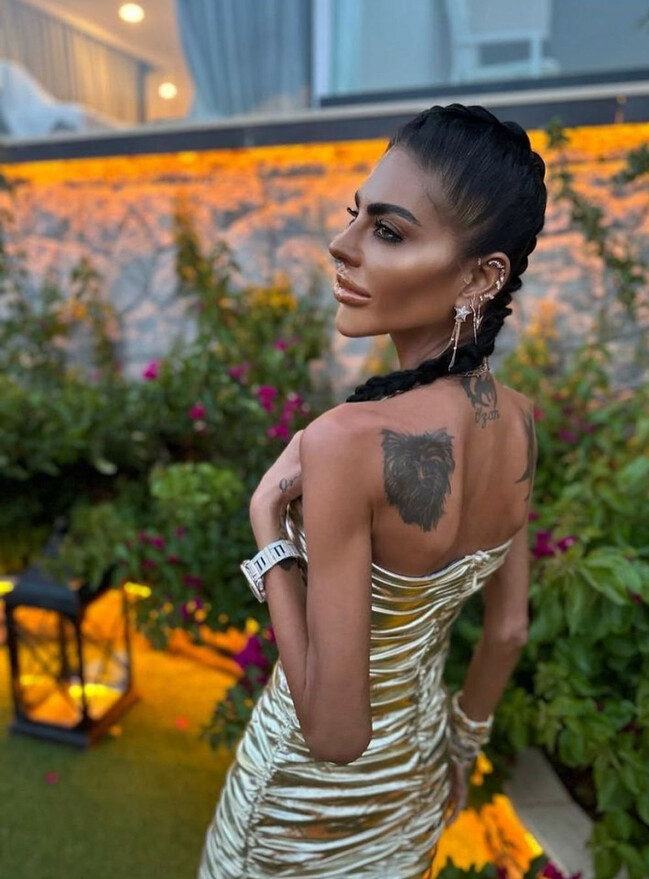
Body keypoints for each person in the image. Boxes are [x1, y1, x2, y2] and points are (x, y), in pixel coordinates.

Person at [199, 103, 547, 878]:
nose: (342, 244)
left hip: (294, 814)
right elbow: (506, 631)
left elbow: (333, 733)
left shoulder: (344, 443)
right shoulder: (521, 424)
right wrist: (459, 752)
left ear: (481, 276)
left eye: (387, 230)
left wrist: (267, 528)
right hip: (416, 788)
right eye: (353, 215)